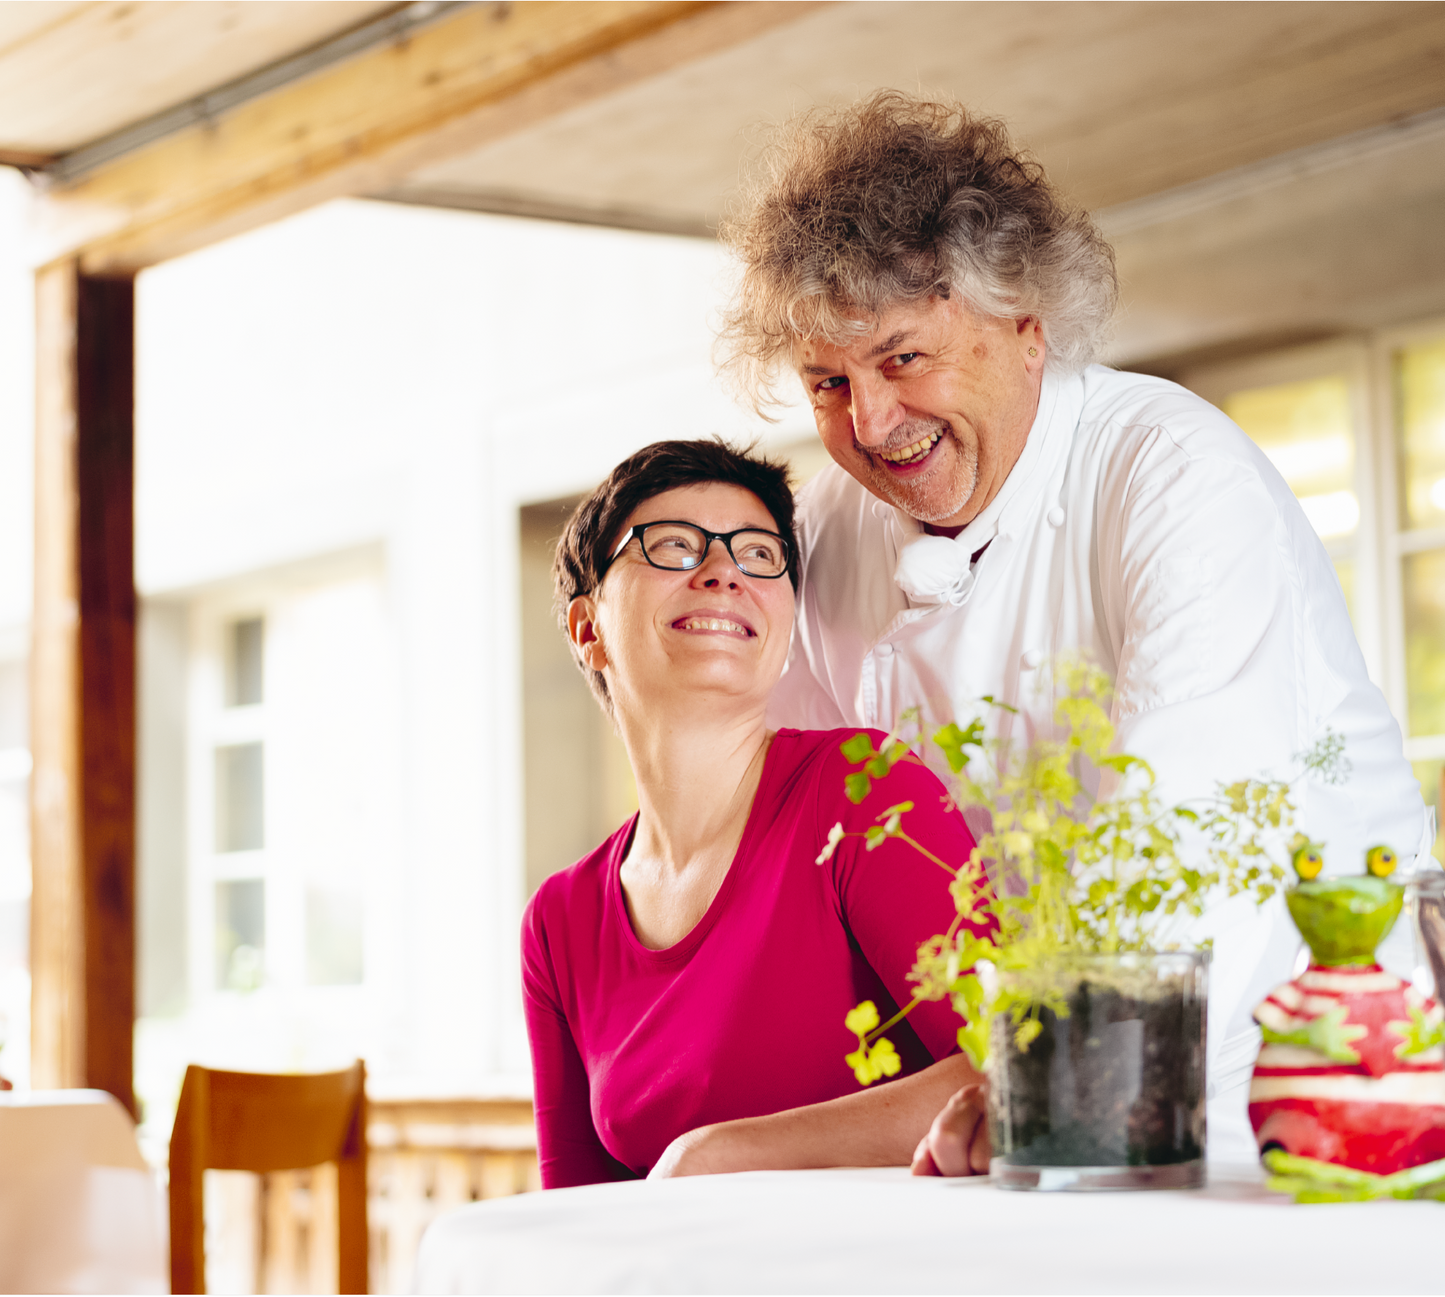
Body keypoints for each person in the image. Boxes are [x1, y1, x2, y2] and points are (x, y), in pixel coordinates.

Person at [716, 91, 1432, 1164]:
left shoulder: (1169, 472)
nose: (868, 421)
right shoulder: (826, 527)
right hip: (1017, 1084)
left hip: (1299, 1068)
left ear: (1024, 324)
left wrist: (1046, 1071)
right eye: (828, 381)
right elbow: (790, 826)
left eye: (902, 359)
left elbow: (1177, 835)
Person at [522, 439, 992, 1188]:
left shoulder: (861, 791)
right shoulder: (559, 921)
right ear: (588, 629)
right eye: (672, 546)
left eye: (758, 553)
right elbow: (578, 1212)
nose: (723, 571)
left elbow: (1022, 1069)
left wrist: (721, 1154)